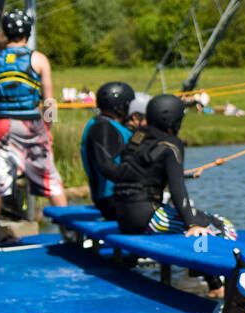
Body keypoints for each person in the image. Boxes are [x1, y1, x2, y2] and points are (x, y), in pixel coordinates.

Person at [103, 93, 236, 293]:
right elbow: (177, 189)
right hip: (147, 217)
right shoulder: (171, 145)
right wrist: (191, 224)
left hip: (124, 216)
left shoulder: (137, 138)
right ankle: (199, 277)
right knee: (223, 228)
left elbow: (140, 173)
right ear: (173, 120)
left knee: (196, 225)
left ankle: (208, 280)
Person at [0, 9, 64, 252]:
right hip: (31, 124)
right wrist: (49, 128)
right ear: (27, 32)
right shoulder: (38, 59)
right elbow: (49, 101)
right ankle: (70, 228)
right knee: (49, 178)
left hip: (1, 124)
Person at [79, 81, 133, 219]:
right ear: (119, 106)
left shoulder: (104, 124)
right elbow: (106, 166)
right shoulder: (102, 128)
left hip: (116, 199)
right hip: (114, 201)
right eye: (127, 104)